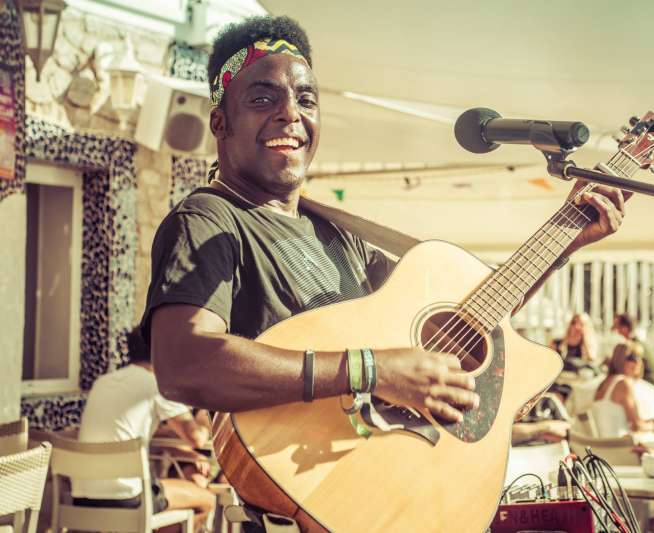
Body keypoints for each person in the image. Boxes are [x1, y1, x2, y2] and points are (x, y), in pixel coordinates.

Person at [142, 15, 628, 527]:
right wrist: (372, 370)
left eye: (306, 100)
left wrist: (562, 241)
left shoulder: (336, 232)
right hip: (302, 499)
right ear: (220, 123)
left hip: (380, 494)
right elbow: (184, 363)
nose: (291, 114)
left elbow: (464, 320)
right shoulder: (209, 218)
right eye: (263, 99)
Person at [72, 327, 215, 530]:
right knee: (206, 500)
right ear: (163, 354)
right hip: (127, 498)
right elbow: (197, 437)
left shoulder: (102, 383)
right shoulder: (157, 385)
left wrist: (179, 451)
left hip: (82, 497)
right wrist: (203, 417)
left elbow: (127, 433)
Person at [591, 342, 654, 439]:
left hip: (602, 446)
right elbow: (636, 426)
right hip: (617, 447)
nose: (638, 361)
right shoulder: (623, 384)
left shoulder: (604, 383)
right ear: (621, 360)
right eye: (633, 357)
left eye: (639, 357)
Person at [611, 313, 654, 397]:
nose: (615, 330)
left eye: (617, 326)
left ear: (625, 328)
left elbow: (630, 372)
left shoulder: (634, 346)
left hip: (653, 389)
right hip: (652, 387)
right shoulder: (636, 342)